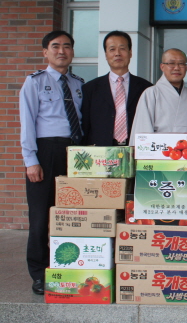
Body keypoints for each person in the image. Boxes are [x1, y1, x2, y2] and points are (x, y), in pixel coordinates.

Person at [19, 31, 84, 295]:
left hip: (76, 153)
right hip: (45, 152)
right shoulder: (34, 82)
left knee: (72, 213)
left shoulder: (79, 84)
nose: (61, 51)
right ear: (45, 52)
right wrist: (31, 160)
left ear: (72, 52)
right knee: (40, 217)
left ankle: (67, 266)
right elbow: (27, 122)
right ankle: (39, 273)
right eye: (55, 46)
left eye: (67, 46)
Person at [81, 31, 152, 146]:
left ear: (130, 53)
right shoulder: (90, 88)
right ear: (106, 55)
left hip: (136, 148)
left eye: (122, 48)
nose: (117, 53)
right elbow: (85, 125)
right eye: (112, 49)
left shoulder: (146, 88)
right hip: (101, 150)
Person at [129, 48, 187, 144]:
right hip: (159, 149)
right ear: (162, 67)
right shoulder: (151, 93)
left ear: (186, 67)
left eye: (181, 64)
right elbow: (143, 129)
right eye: (171, 63)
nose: (176, 68)